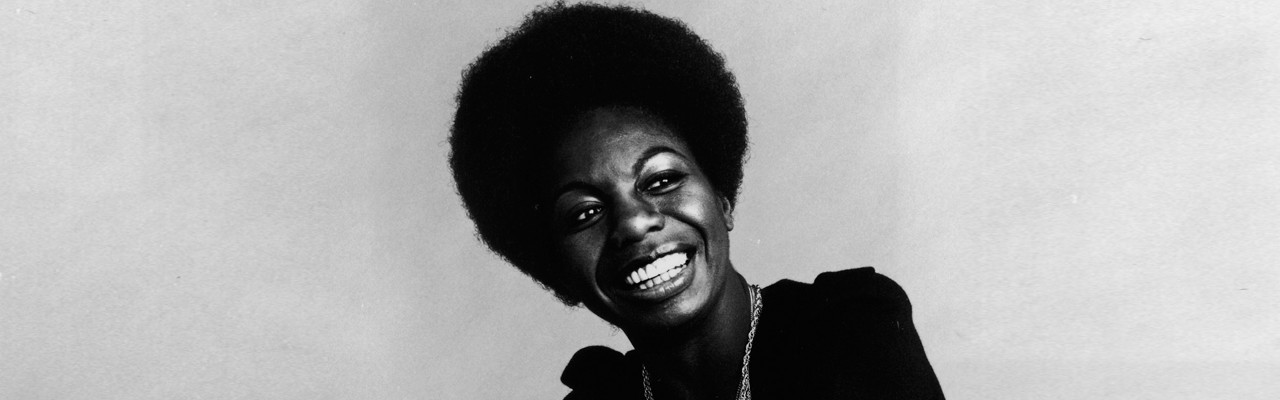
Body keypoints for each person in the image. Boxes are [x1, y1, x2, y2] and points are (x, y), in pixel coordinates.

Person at [449, 3, 944, 399]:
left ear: (722, 199)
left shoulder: (851, 335)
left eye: (661, 180)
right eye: (585, 213)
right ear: (558, 272)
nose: (634, 222)